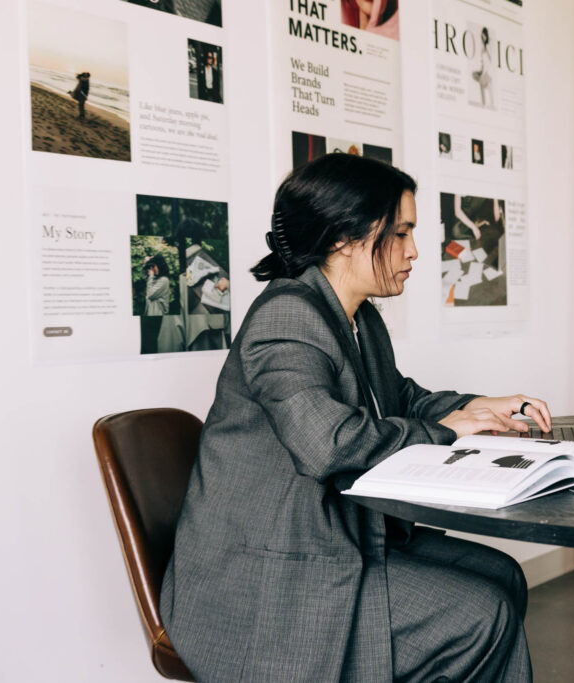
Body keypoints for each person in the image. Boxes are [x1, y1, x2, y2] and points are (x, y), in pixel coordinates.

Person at [161, 154, 548, 681]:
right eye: (402, 233)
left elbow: (396, 397)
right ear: (345, 237)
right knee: (483, 615)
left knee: (502, 575)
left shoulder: (355, 314)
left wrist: (476, 408)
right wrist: (446, 431)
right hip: (265, 572)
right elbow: (326, 441)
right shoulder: (287, 315)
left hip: (329, 534)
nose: (414, 252)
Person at [473, 27, 495, 108]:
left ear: (486, 36)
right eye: (482, 37)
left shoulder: (488, 46)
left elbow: (490, 61)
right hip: (484, 70)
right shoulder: (483, 48)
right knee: (480, 82)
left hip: (488, 71)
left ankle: (487, 104)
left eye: (484, 36)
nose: (483, 38)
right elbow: (483, 62)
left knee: (487, 87)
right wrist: (481, 71)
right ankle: (484, 104)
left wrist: (485, 71)